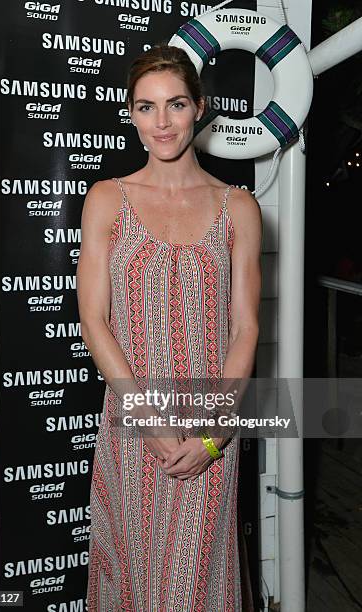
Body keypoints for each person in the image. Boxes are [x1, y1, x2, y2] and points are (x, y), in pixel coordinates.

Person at [77, 44, 262, 611]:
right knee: (130, 581)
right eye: (146, 107)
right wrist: (149, 420)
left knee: (198, 583)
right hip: (134, 427)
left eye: (175, 104)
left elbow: (245, 329)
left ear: (200, 108)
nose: (162, 122)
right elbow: (94, 320)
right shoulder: (108, 199)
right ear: (131, 114)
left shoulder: (239, 206)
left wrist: (212, 435)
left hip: (210, 430)